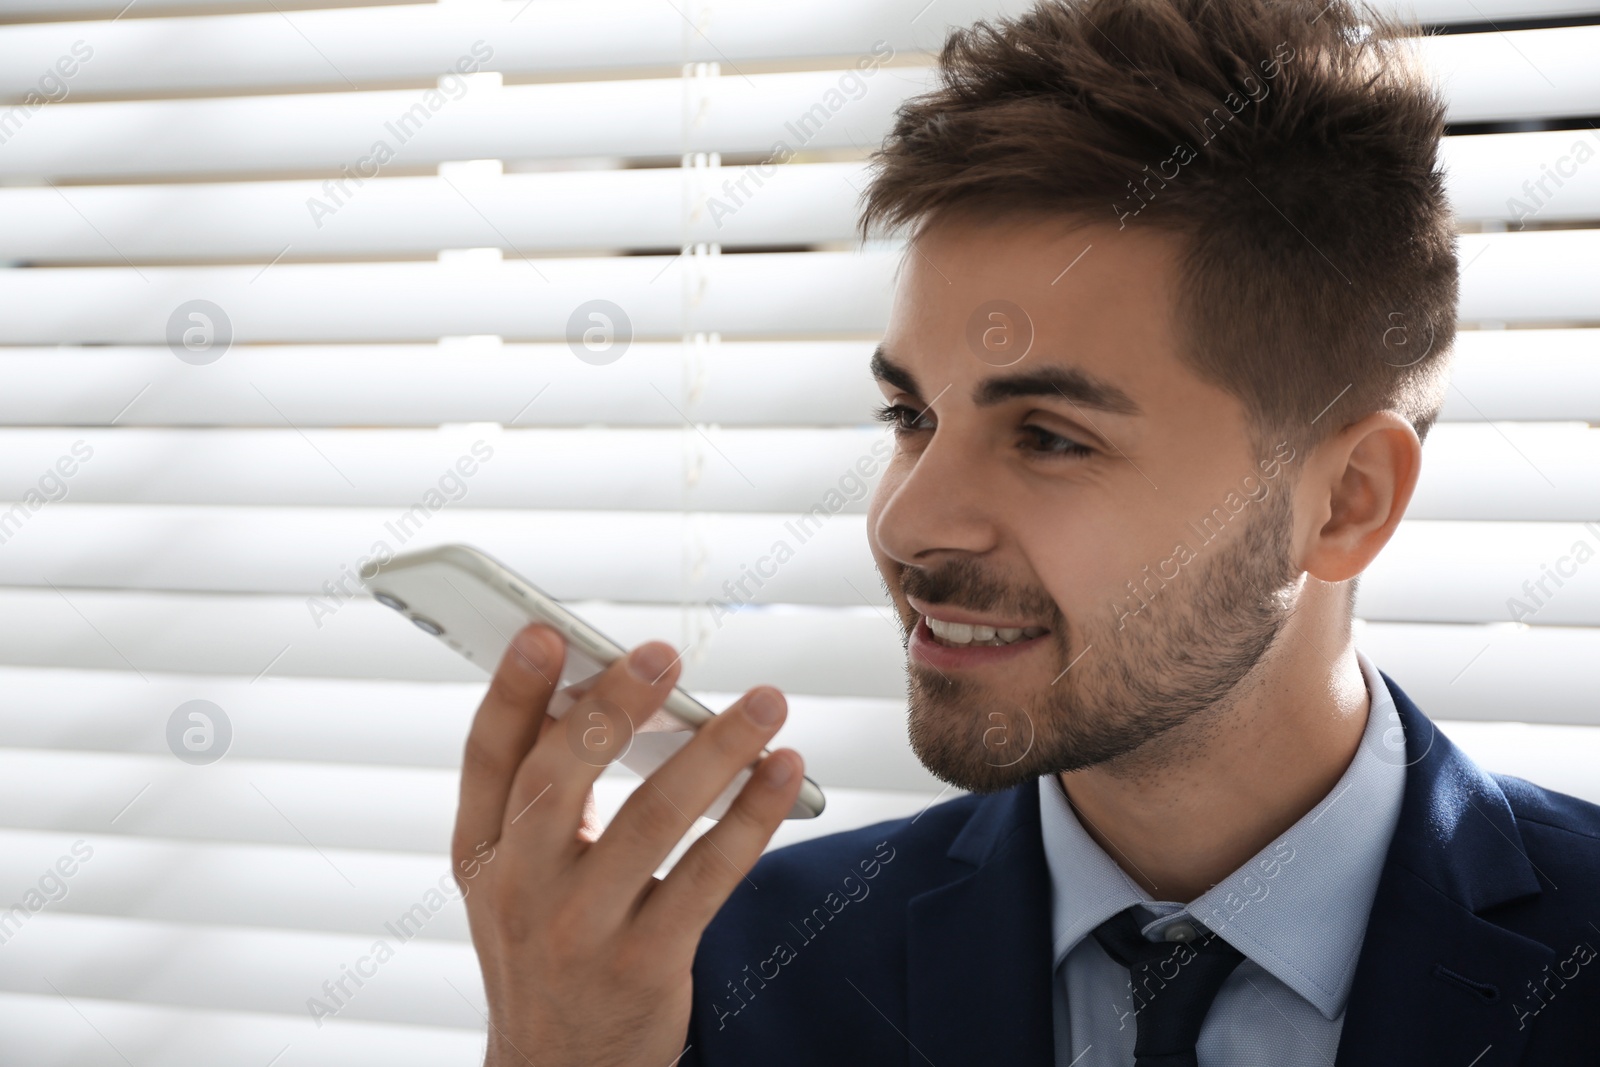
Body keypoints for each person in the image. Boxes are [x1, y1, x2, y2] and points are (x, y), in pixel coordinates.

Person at [450, 1, 1600, 1064]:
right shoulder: (720, 970)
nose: (904, 524)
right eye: (911, 415)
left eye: (1050, 436)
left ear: (1348, 500)